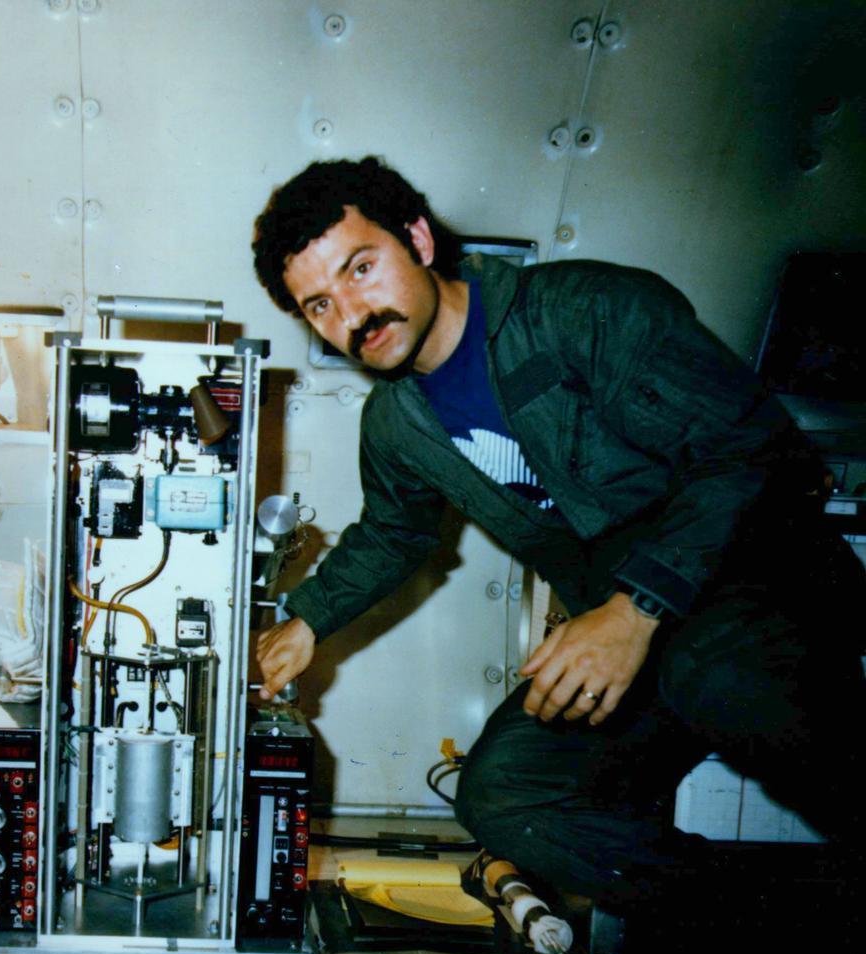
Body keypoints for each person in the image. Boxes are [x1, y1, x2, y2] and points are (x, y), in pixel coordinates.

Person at [252, 156, 866, 910]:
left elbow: (751, 447)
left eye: (360, 268)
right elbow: (394, 532)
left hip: (754, 583)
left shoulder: (585, 310)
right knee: (507, 794)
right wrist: (309, 619)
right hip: (634, 634)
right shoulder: (396, 424)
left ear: (417, 237)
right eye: (317, 305)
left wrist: (634, 607)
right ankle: (788, 923)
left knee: (725, 677)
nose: (351, 315)